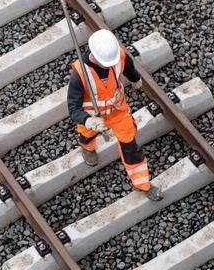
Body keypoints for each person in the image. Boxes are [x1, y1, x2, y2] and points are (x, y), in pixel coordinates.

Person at [67, 29, 163, 201]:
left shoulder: (117, 55)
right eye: (105, 63)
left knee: (130, 145)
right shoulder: (80, 74)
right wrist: (87, 120)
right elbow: (73, 108)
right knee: (87, 135)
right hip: (93, 117)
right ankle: (87, 147)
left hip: (118, 112)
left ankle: (143, 184)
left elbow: (128, 67)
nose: (110, 65)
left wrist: (135, 79)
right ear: (94, 56)